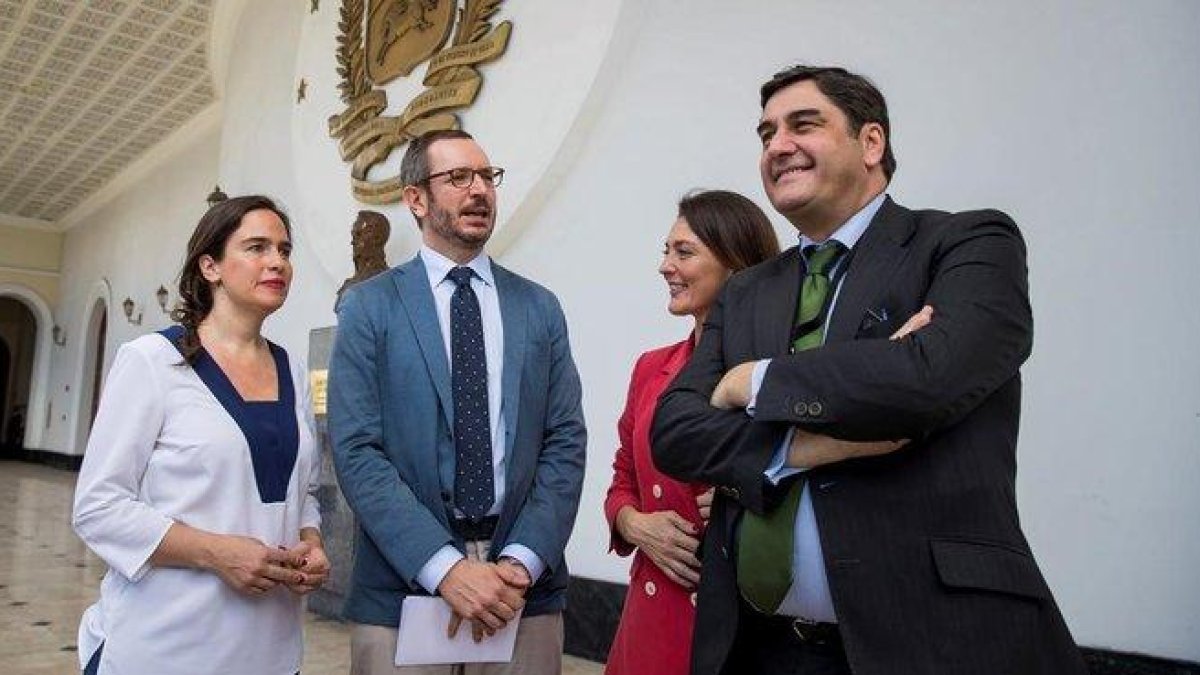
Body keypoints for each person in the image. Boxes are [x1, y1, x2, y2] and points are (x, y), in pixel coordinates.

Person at [651, 65, 1088, 675]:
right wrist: (804, 447)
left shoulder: (968, 243)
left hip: (935, 644)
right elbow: (674, 431)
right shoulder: (746, 291)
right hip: (757, 650)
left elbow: (926, 381)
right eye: (767, 133)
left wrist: (750, 381)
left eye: (804, 125)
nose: (778, 146)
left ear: (871, 142)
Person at [328, 129, 586, 675]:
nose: (480, 190)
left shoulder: (539, 308)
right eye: (459, 178)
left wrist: (522, 561)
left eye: (487, 177)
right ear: (416, 199)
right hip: (402, 583)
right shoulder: (369, 308)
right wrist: (443, 566)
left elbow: (565, 439)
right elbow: (356, 449)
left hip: (523, 589)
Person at [73, 195, 329, 675]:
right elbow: (98, 507)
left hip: (270, 652)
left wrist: (311, 542)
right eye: (257, 247)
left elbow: (305, 492)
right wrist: (218, 554)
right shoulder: (152, 361)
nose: (277, 261)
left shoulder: (292, 370)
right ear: (210, 267)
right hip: (165, 647)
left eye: (284, 250)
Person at [603, 190, 779, 675]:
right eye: (667, 251)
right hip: (650, 620)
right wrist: (633, 524)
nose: (665, 266)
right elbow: (623, 477)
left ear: (736, 266)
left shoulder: (777, 375)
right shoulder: (651, 368)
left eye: (684, 252)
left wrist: (743, 500)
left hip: (736, 625)